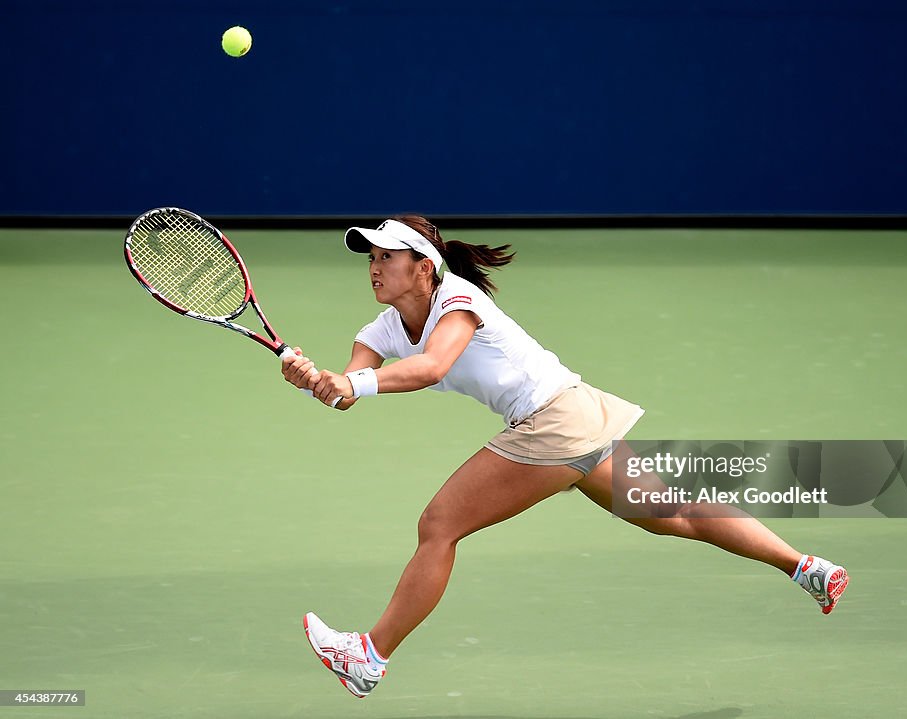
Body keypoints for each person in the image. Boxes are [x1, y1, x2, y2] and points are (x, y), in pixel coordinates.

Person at [281, 215, 849, 699]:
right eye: (370, 258)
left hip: (552, 420)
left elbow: (428, 367)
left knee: (439, 524)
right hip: (574, 417)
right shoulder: (382, 326)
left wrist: (353, 384)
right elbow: (350, 386)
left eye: (387, 256)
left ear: (423, 266)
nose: (374, 267)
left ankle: (370, 657)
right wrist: (317, 380)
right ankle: (808, 569)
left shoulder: (460, 300)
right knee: (676, 515)